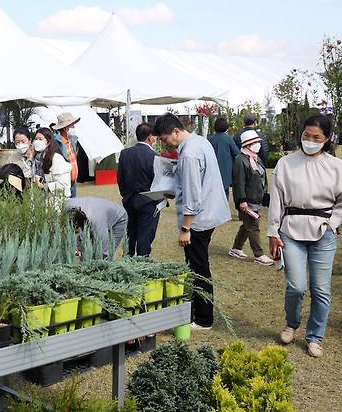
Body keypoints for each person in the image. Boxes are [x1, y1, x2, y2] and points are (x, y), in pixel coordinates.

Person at [268, 115, 342, 358]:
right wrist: (273, 232)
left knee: (320, 289)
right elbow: (276, 200)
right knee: (296, 286)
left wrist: (332, 223)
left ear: (327, 138)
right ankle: (291, 323)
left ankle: (315, 336)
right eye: (306, 136)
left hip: (323, 231)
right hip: (291, 229)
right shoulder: (286, 164)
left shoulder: (336, 166)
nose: (310, 141)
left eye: (316, 137)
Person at [153, 113, 231, 330]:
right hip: (209, 212)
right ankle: (199, 311)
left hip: (198, 219)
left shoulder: (189, 154)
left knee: (198, 267)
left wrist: (186, 228)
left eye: (165, 138)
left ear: (176, 132)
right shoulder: (200, 141)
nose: (164, 143)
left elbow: (193, 195)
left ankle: (204, 319)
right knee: (199, 265)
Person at [229, 130, 273, 265]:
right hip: (247, 201)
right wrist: (242, 200)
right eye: (255, 142)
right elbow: (239, 183)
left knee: (247, 225)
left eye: (258, 142)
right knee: (253, 226)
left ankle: (236, 248)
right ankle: (259, 255)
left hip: (256, 199)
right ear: (248, 144)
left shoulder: (255, 157)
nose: (258, 145)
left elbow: (261, 178)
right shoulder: (240, 160)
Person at [117, 122, 160, 256]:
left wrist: (126, 195)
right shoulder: (154, 157)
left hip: (129, 199)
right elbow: (158, 181)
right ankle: (142, 263)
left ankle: (127, 262)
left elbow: (120, 178)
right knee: (145, 236)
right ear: (150, 137)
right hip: (148, 201)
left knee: (130, 234)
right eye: (155, 136)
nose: (156, 139)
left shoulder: (125, 153)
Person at [34, 127, 71, 198]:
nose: (37, 141)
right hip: (42, 200)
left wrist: (44, 186)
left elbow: (63, 185)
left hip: (57, 200)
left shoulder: (56, 158)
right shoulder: (37, 158)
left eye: (40, 139)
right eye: (36, 139)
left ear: (48, 142)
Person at [208, 117, 240, 199]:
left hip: (212, 171)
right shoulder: (228, 139)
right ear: (226, 127)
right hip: (226, 172)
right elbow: (237, 154)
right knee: (224, 195)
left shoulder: (210, 139)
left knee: (213, 195)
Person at [53, 112, 80, 198]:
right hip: (64, 181)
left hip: (73, 181)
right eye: (72, 125)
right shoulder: (56, 143)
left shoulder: (72, 140)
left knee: (73, 206)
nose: (74, 127)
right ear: (65, 128)